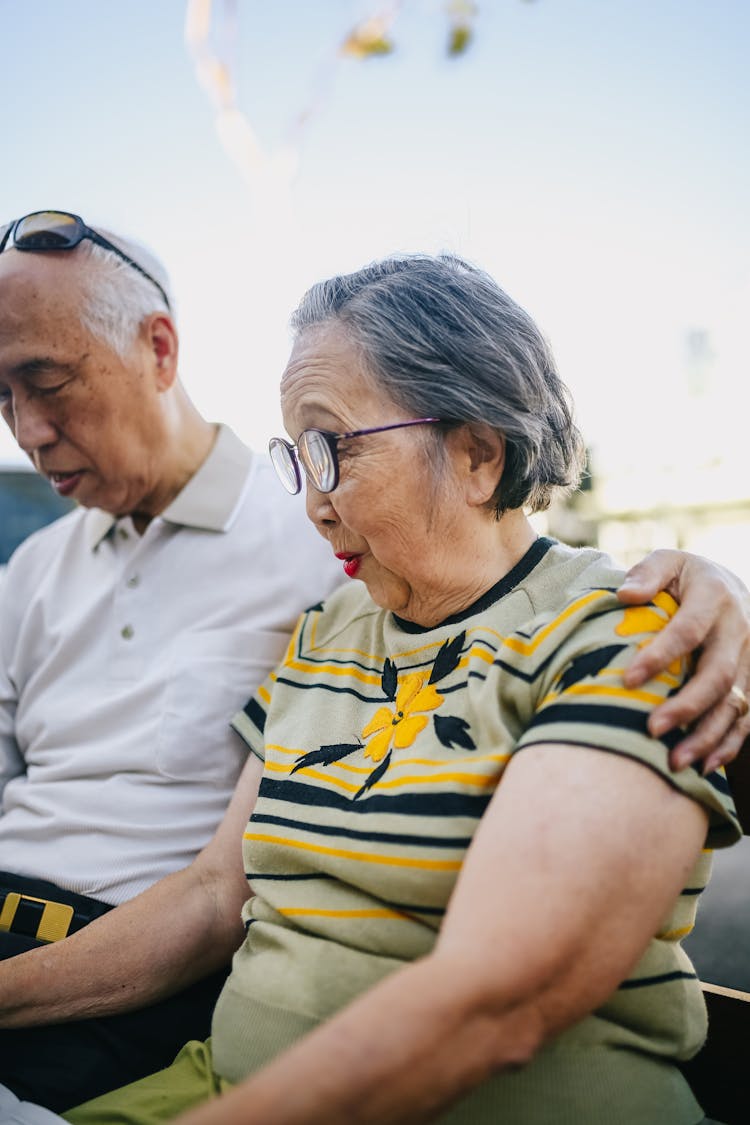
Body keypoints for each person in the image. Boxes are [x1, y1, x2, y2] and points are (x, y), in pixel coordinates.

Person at [8, 252, 748, 1124]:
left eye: (331, 448)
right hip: (217, 1081)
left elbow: (499, 999)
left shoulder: (623, 632)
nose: (314, 503)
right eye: (296, 455)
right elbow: (215, 890)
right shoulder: (330, 632)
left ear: (477, 451)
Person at [0, 211, 342, 1108]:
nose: (27, 432)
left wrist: (721, 588)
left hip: (126, 990)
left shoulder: (316, 536)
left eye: (46, 382)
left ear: (159, 349)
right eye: (0, 397)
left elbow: (216, 900)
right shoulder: (33, 570)